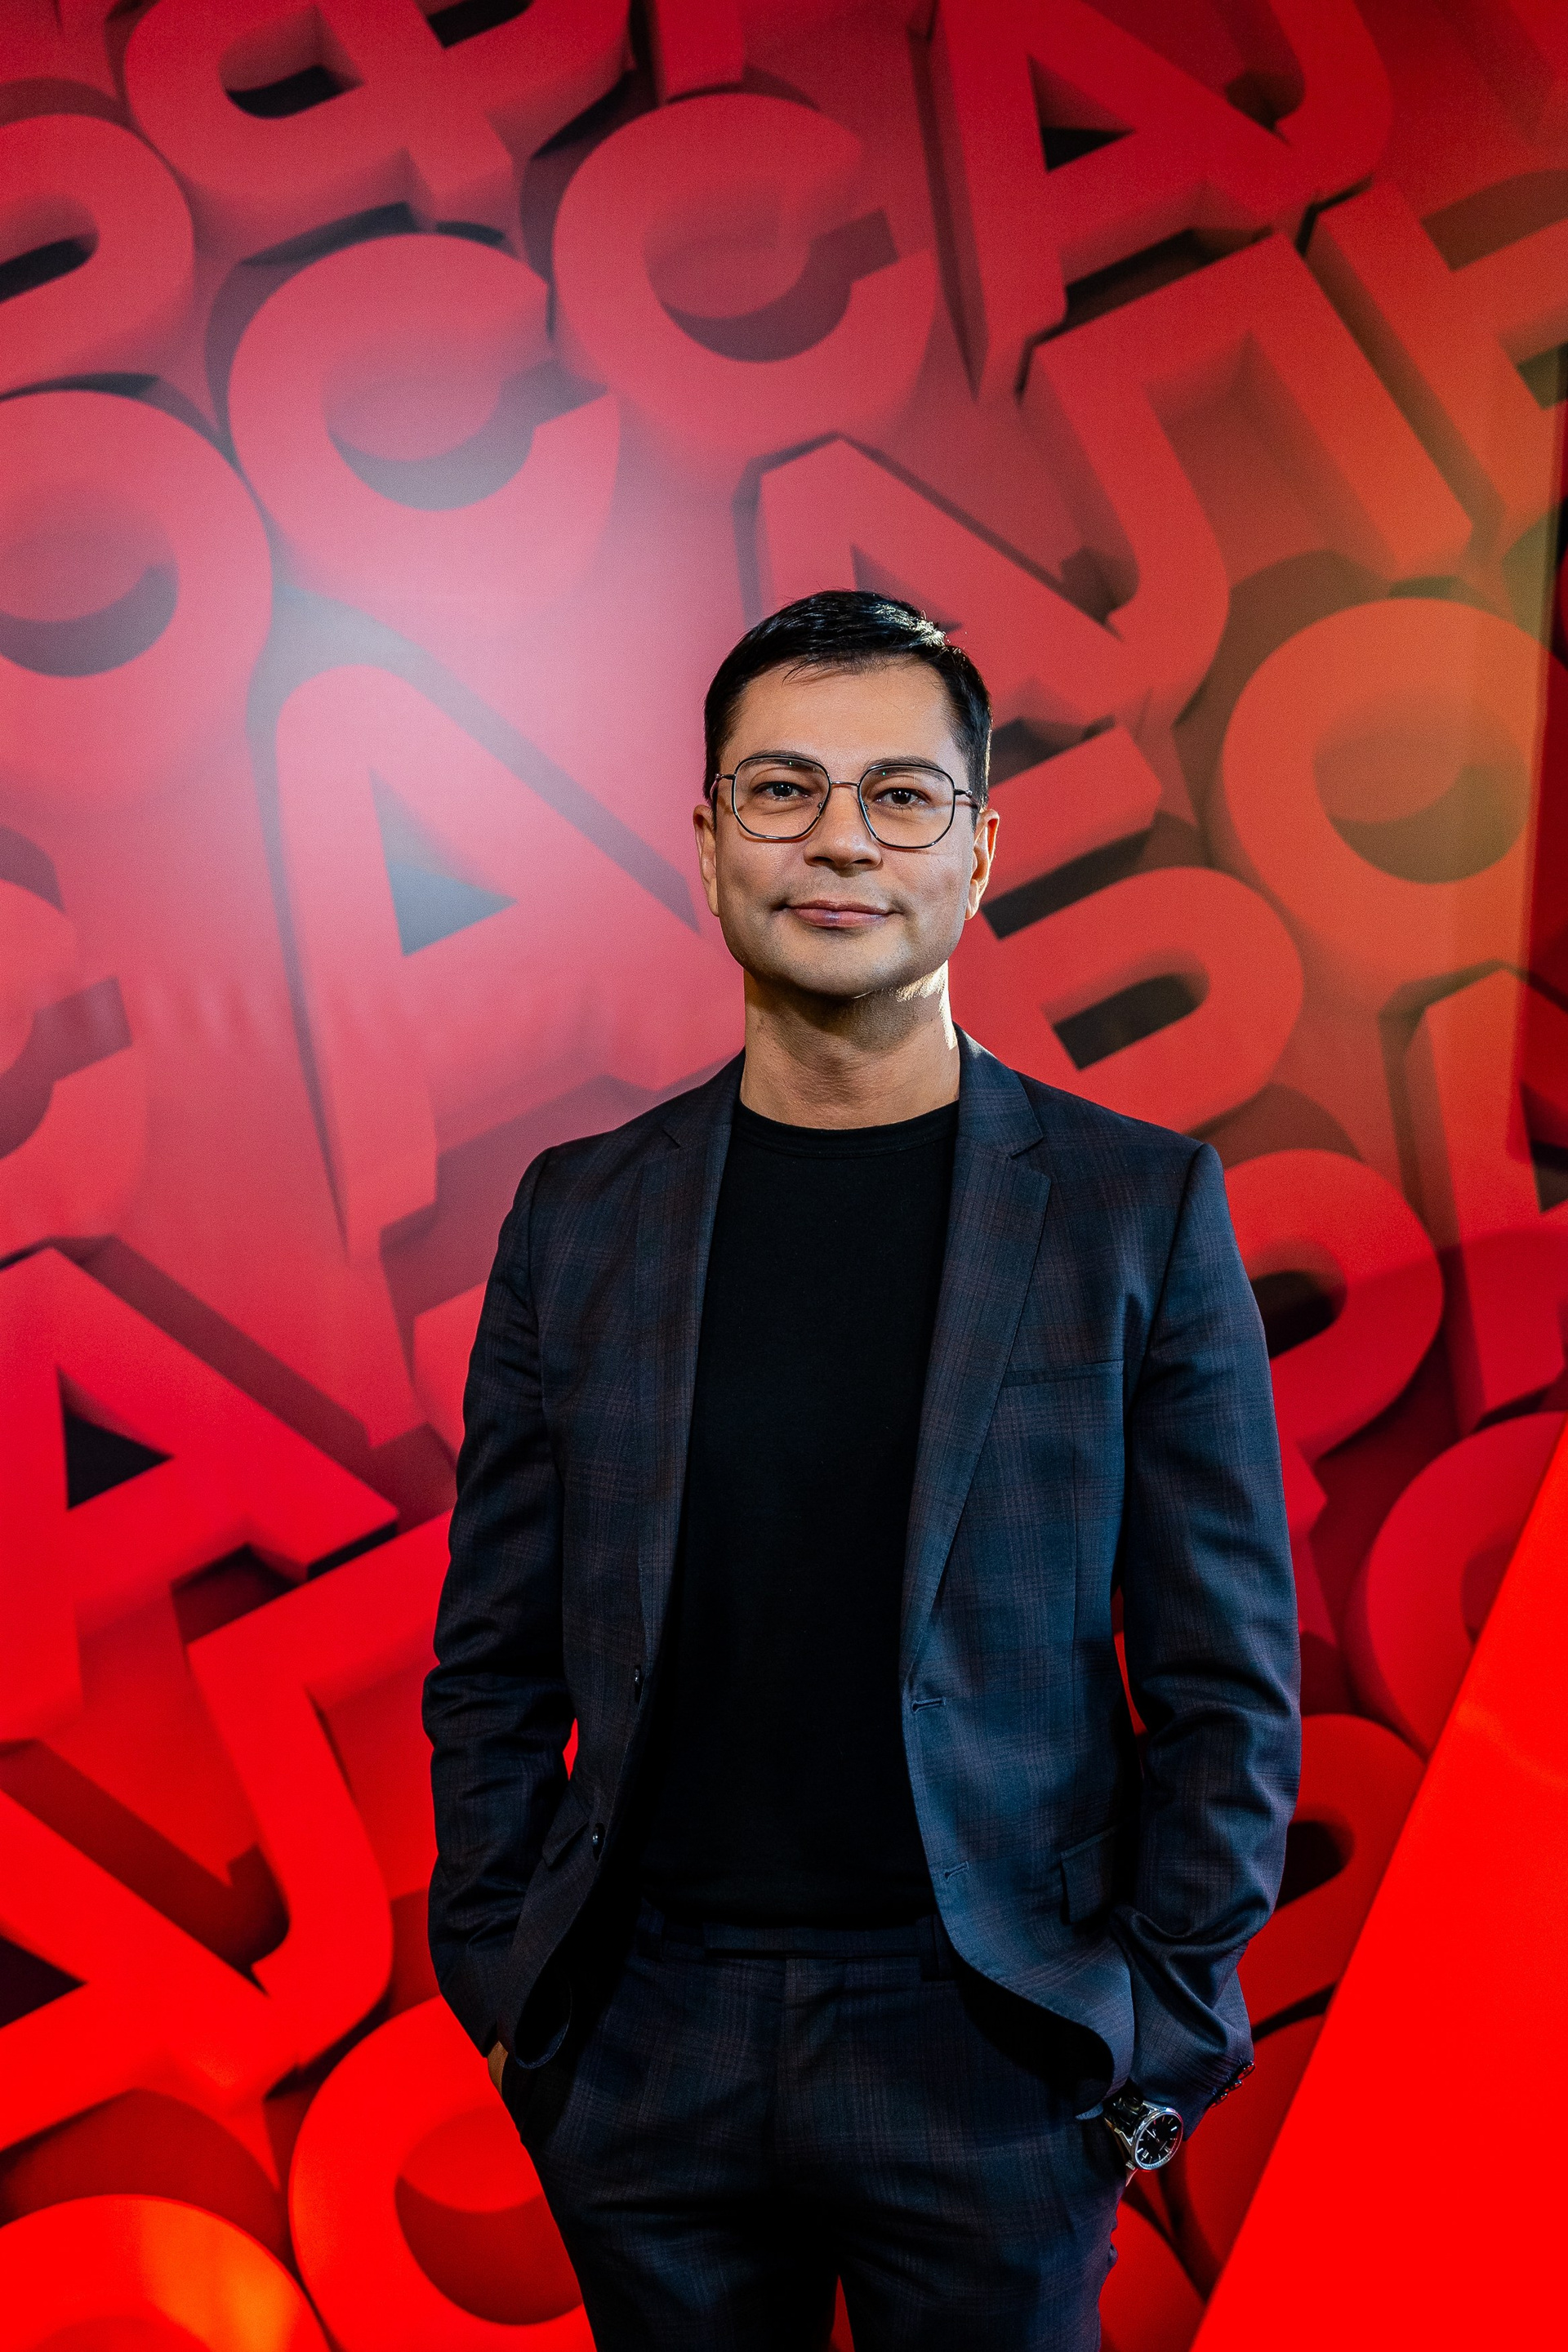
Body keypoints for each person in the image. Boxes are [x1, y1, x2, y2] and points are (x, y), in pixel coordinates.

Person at [423, 590, 1300, 2350]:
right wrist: (513, 1993)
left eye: (902, 796)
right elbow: (494, 1661)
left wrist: (1157, 2039)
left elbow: (1227, 1682)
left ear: (979, 852)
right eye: (783, 791)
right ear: (709, 843)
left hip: (994, 2044)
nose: (841, 841)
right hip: (644, 2034)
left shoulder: (1135, 1211)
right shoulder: (579, 1216)